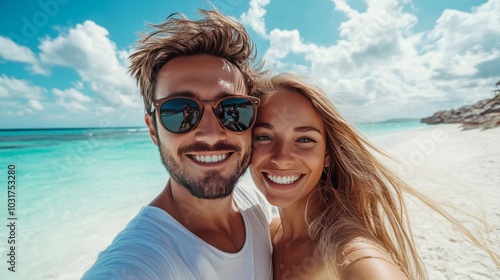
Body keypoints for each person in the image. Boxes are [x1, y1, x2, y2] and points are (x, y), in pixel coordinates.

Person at [249, 73, 499, 279]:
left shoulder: (352, 253)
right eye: (263, 137)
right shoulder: (268, 234)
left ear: (328, 156)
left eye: (305, 139)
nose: (281, 157)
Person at [82, 9, 273, 279]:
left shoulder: (257, 205)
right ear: (153, 129)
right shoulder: (137, 263)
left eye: (233, 109)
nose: (210, 134)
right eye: (181, 110)